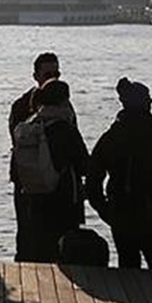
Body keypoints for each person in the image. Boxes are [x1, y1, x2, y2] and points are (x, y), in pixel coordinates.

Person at [86, 77, 152, 270]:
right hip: (151, 214)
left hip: (124, 214)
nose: (151, 102)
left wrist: (105, 210)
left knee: (128, 272)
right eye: (148, 98)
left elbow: (92, 179)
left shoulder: (112, 137)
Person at [13, 80, 89, 263]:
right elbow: (84, 164)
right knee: (64, 249)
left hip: (35, 195)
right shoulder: (64, 128)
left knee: (41, 247)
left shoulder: (32, 124)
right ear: (64, 101)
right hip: (63, 197)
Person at [8, 52, 62, 258]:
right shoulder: (22, 106)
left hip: (55, 181)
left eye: (56, 73)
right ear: (35, 76)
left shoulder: (63, 104)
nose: (53, 78)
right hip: (27, 180)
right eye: (48, 73)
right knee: (27, 234)